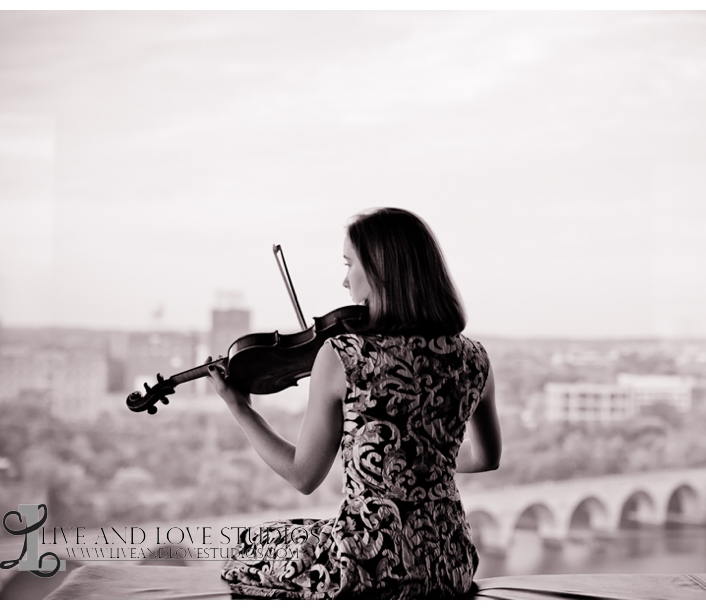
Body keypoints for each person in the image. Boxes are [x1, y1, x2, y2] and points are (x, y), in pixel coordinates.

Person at [207, 207, 502, 599]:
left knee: (255, 544)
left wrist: (241, 409)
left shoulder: (344, 354)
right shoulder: (474, 358)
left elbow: (303, 476)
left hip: (367, 564)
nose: (344, 280)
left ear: (381, 270)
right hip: (449, 562)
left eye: (350, 264)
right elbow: (486, 458)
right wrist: (421, 465)